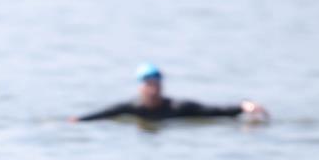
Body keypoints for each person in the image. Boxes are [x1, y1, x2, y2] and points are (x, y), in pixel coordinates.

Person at [68, 63, 269, 123]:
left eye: (157, 84)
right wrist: (78, 120)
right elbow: (102, 114)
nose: (154, 88)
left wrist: (244, 105)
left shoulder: (177, 107)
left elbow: (213, 110)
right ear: (141, 87)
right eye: (149, 84)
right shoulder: (132, 107)